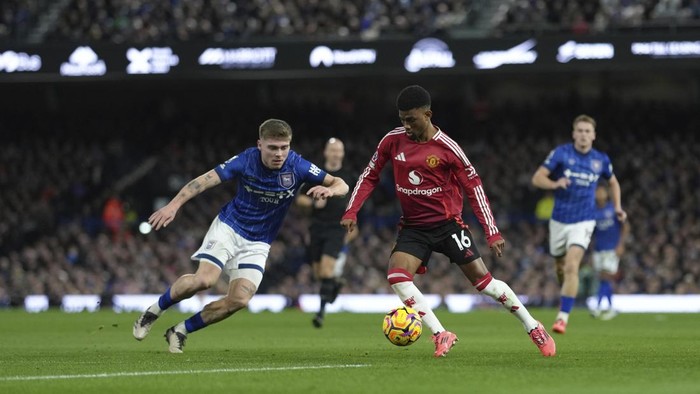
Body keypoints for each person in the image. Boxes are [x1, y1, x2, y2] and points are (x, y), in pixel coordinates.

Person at [340, 85, 555, 358]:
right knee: (396, 276)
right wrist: (352, 210)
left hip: (448, 225)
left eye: (411, 119)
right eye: (402, 119)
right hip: (414, 227)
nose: (405, 125)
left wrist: (491, 232)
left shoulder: (447, 148)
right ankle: (441, 333)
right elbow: (370, 174)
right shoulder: (392, 141)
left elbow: (474, 188)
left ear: (427, 114)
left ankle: (533, 326)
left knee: (485, 284)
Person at [133, 119, 349, 353]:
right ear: (260, 144)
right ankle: (153, 311)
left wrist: (331, 190)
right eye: (273, 148)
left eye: (284, 147)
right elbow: (203, 181)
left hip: (259, 242)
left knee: (239, 300)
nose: (279, 154)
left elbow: (342, 183)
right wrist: (173, 206)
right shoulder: (246, 160)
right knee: (204, 280)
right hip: (230, 227)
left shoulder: (298, 166)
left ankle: (180, 330)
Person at [531, 114, 627, 334]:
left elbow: (613, 182)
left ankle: (562, 317)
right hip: (559, 220)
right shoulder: (561, 154)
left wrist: (618, 206)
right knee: (561, 267)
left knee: (573, 265)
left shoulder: (600, 160)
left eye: (587, 131)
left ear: (593, 135)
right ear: (574, 134)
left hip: (584, 221)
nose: (583, 134)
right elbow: (537, 178)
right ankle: (565, 293)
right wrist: (555, 183)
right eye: (580, 130)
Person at [296, 138, 357, 328]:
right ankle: (335, 284)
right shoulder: (317, 174)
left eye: (339, 150)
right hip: (316, 227)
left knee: (325, 270)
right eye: (332, 150)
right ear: (326, 152)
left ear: (343, 153)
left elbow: (355, 202)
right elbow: (300, 200)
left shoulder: (348, 176)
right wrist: (314, 202)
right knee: (318, 273)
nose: (336, 153)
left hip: (336, 228)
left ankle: (320, 313)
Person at [590, 183, 629, 320]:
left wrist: (621, 245)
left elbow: (625, 227)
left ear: (606, 194)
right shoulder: (593, 211)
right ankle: (610, 307)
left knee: (606, 277)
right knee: (602, 278)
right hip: (598, 249)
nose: (599, 194)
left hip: (611, 249)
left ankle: (599, 307)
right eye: (597, 192)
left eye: (601, 192)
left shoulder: (614, 208)